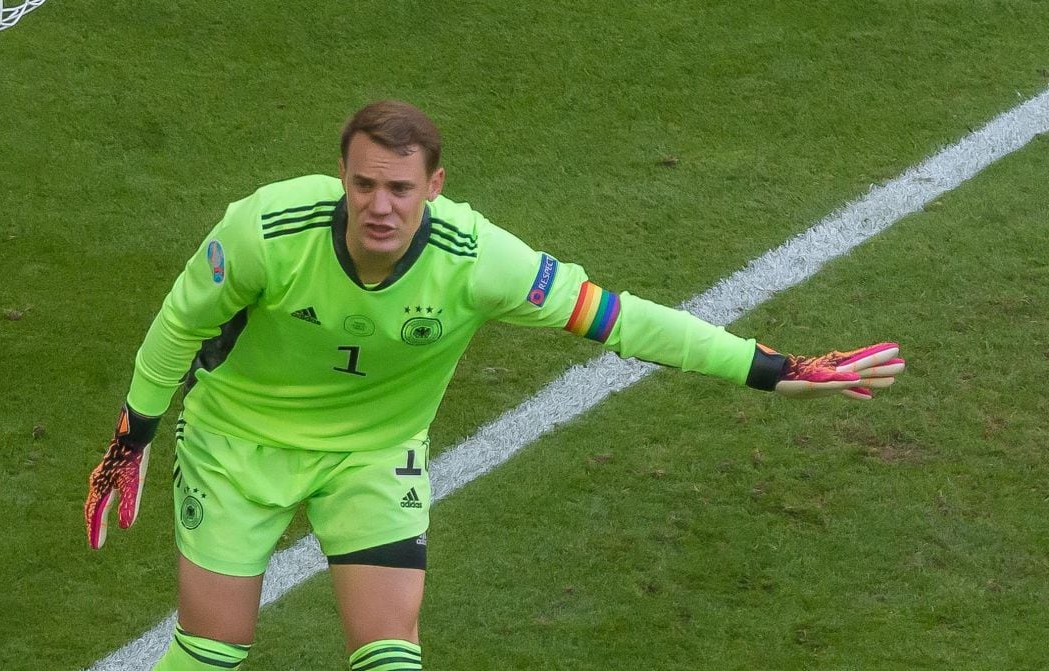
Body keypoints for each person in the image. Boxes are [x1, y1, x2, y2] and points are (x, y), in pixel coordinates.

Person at [84, 100, 905, 670]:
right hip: (238, 447)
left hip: (371, 460)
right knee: (211, 651)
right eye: (364, 184)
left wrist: (771, 369)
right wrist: (134, 434)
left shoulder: (480, 261)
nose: (379, 205)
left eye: (400, 188)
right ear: (341, 174)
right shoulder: (265, 230)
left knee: (388, 656)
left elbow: (620, 318)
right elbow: (177, 325)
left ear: (434, 187)